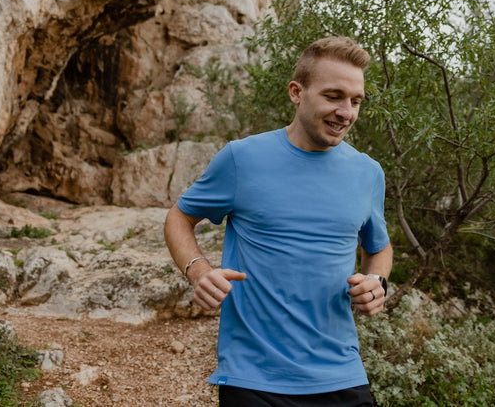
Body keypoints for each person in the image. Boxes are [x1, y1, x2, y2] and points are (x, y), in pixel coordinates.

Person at [164, 35, 393, 407]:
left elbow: (378, 247)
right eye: (333, 96)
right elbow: (179, 216)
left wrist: (376, 281)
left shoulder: (368, 172)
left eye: (355, 101)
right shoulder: (242, 159)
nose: (346, 112)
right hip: (254, 378)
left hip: (342, 374)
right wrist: (199, 270)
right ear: (296, 92)